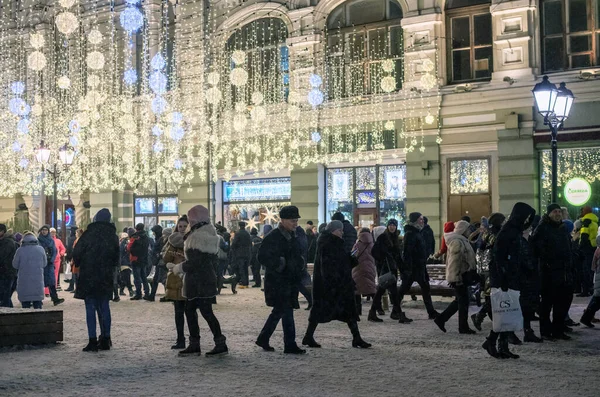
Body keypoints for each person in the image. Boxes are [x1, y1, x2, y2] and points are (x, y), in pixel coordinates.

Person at [302, 221, 371, 349]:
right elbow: (328, 265)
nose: (342, 232)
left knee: (347, 311)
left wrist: (351, 257)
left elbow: (341, 262)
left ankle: (356, 338)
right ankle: (308, 336)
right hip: (332, 284)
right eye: (340, 230)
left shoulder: (334, 242)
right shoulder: (328, 243)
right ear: (333, 231)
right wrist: (334, 281)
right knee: (323, 310)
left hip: (338, 283)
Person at [171, 205, 228, 356]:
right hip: (205, 279)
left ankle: (201, 343)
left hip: (198, 281)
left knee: (196, 312)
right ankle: (215, 342)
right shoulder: (209, 233)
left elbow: (195, 262)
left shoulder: (197, 237)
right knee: (202, 311)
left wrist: (178, 268)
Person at [483, 202, 536, 359]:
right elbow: (499, 257)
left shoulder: (515, 229)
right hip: (504, 279)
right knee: (505, 311)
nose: (527, 220)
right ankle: (495, 343)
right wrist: (504, 278)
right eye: (525, 216)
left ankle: (497, 343)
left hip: (511, 276)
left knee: (507, 312)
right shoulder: (508, 232)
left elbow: (527, 224)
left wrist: (532, 214)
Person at [256, 205, 306, 354]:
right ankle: (289, 344)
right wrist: (280, 264)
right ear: (283, 220)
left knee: (279, 311)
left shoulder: (293, 235)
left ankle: (264, 338)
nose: (295, 223)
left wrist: (299, 263)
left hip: (289, 280)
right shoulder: (274, 236)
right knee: (286, 311)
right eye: (292, 221)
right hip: (278, 281)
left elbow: (297, 254)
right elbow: (262, 256)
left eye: (296, 220)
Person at [73, 208, 120, 352]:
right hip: (105, 275)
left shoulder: (89, 234)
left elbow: (77, 252)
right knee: (104, 306)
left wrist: (81, 263)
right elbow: (116, 257)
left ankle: (92, 340)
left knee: (90, 307)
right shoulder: (112, 236)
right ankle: (106, 338)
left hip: (89, 275)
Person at [530, 203, 574, 341]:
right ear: (549, 213)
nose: (557, 214)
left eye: (559, 211)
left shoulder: (562, 228)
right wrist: (548, 261)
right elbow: (537, 249)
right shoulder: (542, 228)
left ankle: (558, 330)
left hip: (564, 271)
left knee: (562, 303)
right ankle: (545, 331)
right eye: (555, 211)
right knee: (547, 303)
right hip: (549, 272)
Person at [434, 220, 477, 334]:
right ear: (463, 230)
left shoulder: (462, 240)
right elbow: (454, 262)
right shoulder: (457, 242)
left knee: (460, 301)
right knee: (463, 302)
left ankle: (441, 319)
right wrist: (455, 279)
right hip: (459, 277)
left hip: (461, 275)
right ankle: (462, 327)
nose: (470, 232)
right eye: (468, 229)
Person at [397, 212, 439, 321]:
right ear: (415, 221)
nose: (423, 221)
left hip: (420, 266)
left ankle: (431, 312)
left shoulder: (418, 232)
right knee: (403, 290)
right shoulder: (410, 233)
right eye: (420, 219)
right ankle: (395, 311)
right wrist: (408, 269)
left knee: (425, 288)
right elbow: (407, 253)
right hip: (413, 268)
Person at [471, 213, 505, 330]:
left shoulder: (487, 233)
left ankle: (486, 316)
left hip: (488, 269)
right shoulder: (494, 235)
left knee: (493, 295)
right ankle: (479, 316)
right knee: (492, 296)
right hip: (493, 269)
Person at [369, 220, 405, 322]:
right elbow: (374, 252)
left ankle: (373, 313)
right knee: (390, 292)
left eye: (394, 225)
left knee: (385, 292)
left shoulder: (395, 238)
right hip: (386, 269)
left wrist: (401, 267)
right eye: (390, 225)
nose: (392, 227)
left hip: (392, 268)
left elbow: (397, 255)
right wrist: (383, 259)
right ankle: (398, 314)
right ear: (387, 226)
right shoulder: (383, 237)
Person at [163, 228, 187, 349]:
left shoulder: (193, 240)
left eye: (185, 226)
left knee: (190, 312)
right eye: (180, 226)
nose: (182, 229)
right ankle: (180, 339)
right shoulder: (172, 242)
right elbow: (166, 259)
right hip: (175, 279)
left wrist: (183, 258)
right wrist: (172, 249)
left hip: (187, 279)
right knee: (178, 313)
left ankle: (194, 340)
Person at [12, 232, 46, 309]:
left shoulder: (20, 250)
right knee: (37, 305)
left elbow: (15, 265)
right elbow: (44, 264)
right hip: (37, 280)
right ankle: (39, 319)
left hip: (24, 281)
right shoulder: (41, 249)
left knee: (25, 307)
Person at [351, 228, 377, 316]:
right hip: (370, 269)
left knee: (357, 290)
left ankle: (358, 310)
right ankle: (378, 307)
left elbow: (353, 255)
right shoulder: (373, 244)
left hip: (358, 269)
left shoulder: (357, 245)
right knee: (372, 288)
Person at [38, 225, 64, 306]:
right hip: (41, 264)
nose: (44, 231)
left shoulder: (51, 240)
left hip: (49, 264)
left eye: (45, 230)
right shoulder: (38, 240)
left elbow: (54, 251)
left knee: (52, 281)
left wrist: (52, 260)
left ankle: (55, 298)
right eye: (43, 230)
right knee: (40, 282)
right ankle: (38, 299)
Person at [578, 206, 598, 297]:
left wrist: (580, 247)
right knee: (592, 269)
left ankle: (586, 290)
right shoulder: (595, 221)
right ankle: (591, 289)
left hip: (587, 248)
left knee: (586, 270)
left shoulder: (586, 222)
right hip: (593, 247)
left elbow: (584, 236)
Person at [580, 234, 600, 327]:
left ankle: (586, 318)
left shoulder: (597, 250)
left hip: (597, 278)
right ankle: (586, 318)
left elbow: (593, 265)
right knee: (597, 300)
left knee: (597, 299)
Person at [128, 223, 150, 300]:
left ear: (136, 228)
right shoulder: (146, 237)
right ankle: (147, 293)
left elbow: (129, 247)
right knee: (144, 277)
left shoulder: (135, 237)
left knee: (137, 277)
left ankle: (138, 293)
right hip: (143, 259)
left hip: (135, 259)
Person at [147, 225, 167, 301]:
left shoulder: (160, 240)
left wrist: (157, 255)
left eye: (154, 232)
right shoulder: (159, 239)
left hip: (160, 262)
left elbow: (160, 250)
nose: (153, 233)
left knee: (162, 279)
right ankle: (152, 295)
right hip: (158, 262)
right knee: (157, 279)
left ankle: (153, 295)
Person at [0, 224, 17, 307]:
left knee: (5, 294)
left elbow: (2, 256)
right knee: (4, 295)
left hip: (7, 272)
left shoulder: (8, 242)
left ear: (2, 232)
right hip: (3, 272)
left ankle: (8, 313)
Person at [231, 221, 252, 288]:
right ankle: (246, 282)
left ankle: (243, 282)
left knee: (241, 268)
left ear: (239, 225)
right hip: (247, 253)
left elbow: (234, 243)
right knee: (245, 268)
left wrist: (233, 248)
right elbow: (250, 243)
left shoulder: (238, 233)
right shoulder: (247, 233)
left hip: (240, 254)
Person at [118, 232, 134, 297]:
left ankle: (122, 290)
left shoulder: (122, 244)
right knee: (126, 277)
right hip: (128, 262)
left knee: (125, 277)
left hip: (123, 263)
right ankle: (130, 290)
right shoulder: (128, 243)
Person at [64, 227, 78, 292]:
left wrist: (68, 256)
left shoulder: (71, 238)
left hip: (72, 257)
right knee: (73, 272)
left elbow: (69, 248)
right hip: (74, 256)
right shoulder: (75, 238)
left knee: (73, 272)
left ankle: (73, 286)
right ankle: (72, 286)